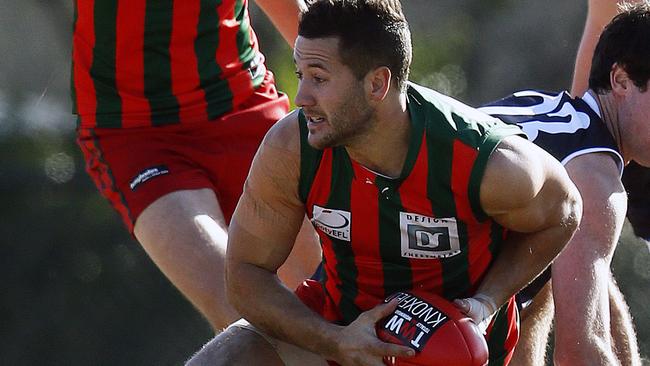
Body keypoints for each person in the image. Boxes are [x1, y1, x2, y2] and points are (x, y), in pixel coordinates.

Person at [185, 1, 582, 365]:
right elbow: (245, 274)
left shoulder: (486, 161)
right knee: (224, 358)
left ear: (377, 84)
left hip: (451, 353)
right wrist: (333, 340)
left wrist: (486, 301)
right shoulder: (292, 148)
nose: (302, 96)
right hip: (340, 327)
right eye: (300, 74)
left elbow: (565, 212)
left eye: (319, 78)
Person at [72, 0, 321, 331]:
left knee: (324, 299)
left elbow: (305, 22)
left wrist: (349, 87)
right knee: (244, 316)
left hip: (245, 110)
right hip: (137, 135)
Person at [480, 3, 650, 364]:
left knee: (542, 271)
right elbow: (579, 352)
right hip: (401, 313)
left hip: (353, 285)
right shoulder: (594, 172)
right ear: (620, 80)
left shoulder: (538, 106)